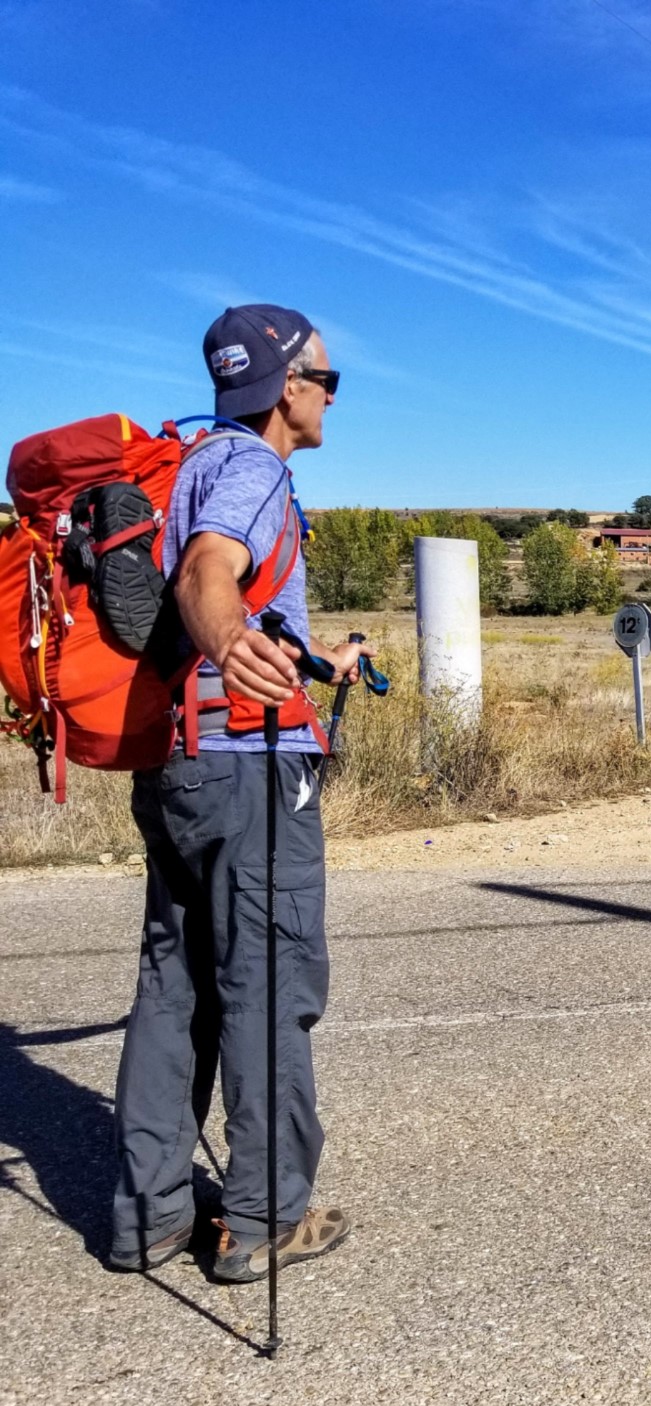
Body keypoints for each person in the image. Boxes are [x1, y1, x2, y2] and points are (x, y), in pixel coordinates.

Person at [107, 305, 368, 1282]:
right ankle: (264, 1219)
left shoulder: (193, 466)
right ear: (288, 386)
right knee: (268, 980)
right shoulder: (255, 471)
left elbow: (224, 590)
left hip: (177, 765)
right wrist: (230, 643)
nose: (332, 398)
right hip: (250, 768)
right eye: (327, 381)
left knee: (173, 984)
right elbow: (206, 576)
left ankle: (150, 1216)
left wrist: (312, 655)